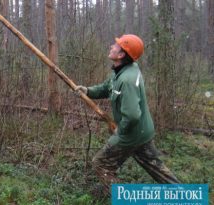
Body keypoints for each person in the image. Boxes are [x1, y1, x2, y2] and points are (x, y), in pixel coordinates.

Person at [75, 34, 180, 196]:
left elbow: (132, 115)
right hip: (142, 133)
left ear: (121, 54)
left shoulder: (127, 79)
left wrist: (121, 130)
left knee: (101, 164)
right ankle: (185, 195)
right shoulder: (122, 71)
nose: (111, 46)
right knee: (157, 168)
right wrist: (88, 91)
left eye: (115, 46)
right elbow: (106, 87)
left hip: (131, 134)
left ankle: (122, 196)